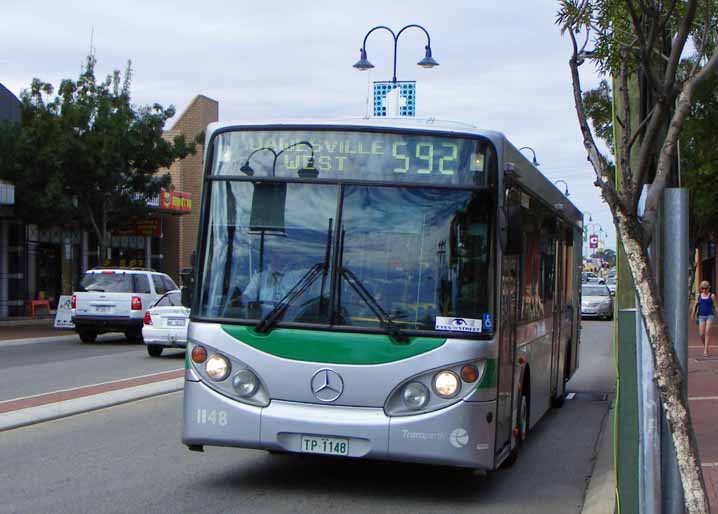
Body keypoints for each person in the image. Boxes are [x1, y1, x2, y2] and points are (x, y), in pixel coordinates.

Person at [694, 280, 717, 357]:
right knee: (701, 334)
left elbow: (715, 306)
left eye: (706, 288)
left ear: (708, 288)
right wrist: (692, 314)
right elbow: (695, 305)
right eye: (703, 288)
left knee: (707, 332)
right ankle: (705, 347)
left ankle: (705, 350)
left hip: (709, 315)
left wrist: (717, 311)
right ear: (701, 288)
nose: (704, 289)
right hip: (701, 316)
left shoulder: (712, 296)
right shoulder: (699, 296)